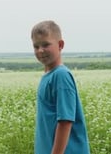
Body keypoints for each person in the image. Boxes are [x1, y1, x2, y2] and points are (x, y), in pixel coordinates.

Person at [31, 20, 90, 154]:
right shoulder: (49, 75)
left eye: (46, 44)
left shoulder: (61, 76)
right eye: (36, 46)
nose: (40, 50)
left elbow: (65, 121)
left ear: (60, 45)